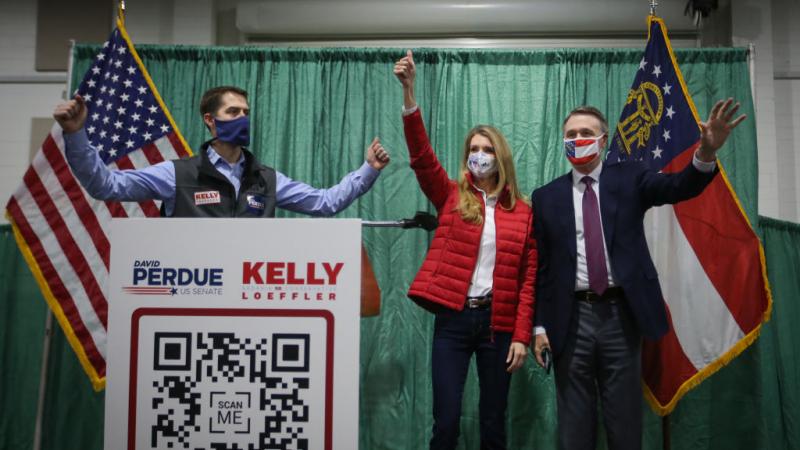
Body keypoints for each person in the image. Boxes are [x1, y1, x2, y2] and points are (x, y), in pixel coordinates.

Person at [530, 101, 746, 450]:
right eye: (571, 134)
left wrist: (706, 151)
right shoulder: (545, 197)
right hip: (569, 319)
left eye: (586, 133)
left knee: (624, 420)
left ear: (602, 141)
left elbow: (679, 187)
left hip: (621, 316)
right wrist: (539, 326)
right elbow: (542, 268)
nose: (578, 139)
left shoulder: (630, 177)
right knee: (573, 423)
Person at [394, 50, 536, 450]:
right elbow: (421, 158)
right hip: (454, 322)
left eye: (488, 150)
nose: (480, 155)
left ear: (500, 157)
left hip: (500, 325)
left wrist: (521, 336)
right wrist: (409, 96)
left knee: (494, 422)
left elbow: (527, 280)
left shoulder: (523, 212)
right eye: (474, 148)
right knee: (447, 420)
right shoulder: (451, 197)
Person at [52, 85, 390, 217]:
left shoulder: (266, 180)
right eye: (233, 112)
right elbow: (106, 186)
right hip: (190, 305)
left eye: (246, 112)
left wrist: (368, 169)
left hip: (248, 307)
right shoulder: (178, 174)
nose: (242, 118)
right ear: (210, 120)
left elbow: (325, 203)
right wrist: (76, 134)